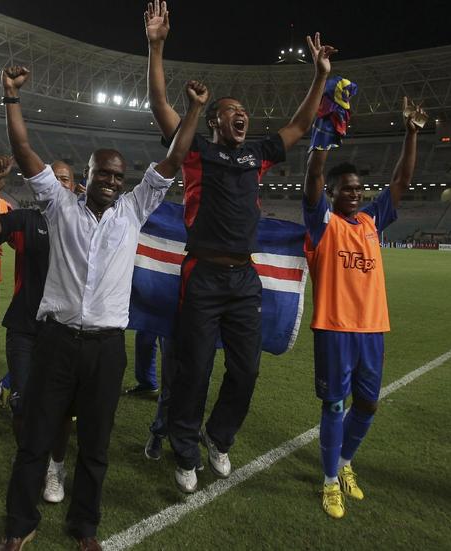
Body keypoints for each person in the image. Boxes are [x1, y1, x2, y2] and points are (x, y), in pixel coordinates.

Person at [0, 64, 206, 551]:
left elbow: (175, 159)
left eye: (118, 174)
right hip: (55, 342)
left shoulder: (135, 209)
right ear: (86, 175)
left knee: (96, 445)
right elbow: (24, 152)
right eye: (103, 173)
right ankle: (18, 526)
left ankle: (84, 527)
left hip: (107, 349)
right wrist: (10, 98)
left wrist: (194, 109)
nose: (111, 180)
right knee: (34, 441)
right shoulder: (59, 204)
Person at [145, 0, 337, 492]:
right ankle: (185, 453)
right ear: (214, 121)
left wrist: (319, 77)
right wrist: (157, 46)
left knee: (246, 369)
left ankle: (218, 438)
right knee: (194, 371)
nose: (241, 118)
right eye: (231, 112)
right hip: (203, 275)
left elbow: (296, 127)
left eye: (244, 114)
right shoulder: (196, 151)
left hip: (243, 279)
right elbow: (160, 107)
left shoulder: (256, 155)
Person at [303, 97, 425, 519]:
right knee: (335, 405)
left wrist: (411, 133)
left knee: (369, 404)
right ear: (332, 193)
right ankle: (329, 481)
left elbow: (403, 181)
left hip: (373, 329)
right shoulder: (323, 224)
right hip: (335, 328)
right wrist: (323, 138)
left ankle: (343, 462)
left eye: (359, 189)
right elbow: (313, 176)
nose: (354, 193)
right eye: (346, 189)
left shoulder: (371, 222)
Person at [0, 156, 78, 505]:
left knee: (64, 408)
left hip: (66, 330)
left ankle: (55, 465)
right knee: (22, 403)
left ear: (75, 186)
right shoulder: (27, 219)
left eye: (66, 179)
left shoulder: (85, 224)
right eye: (55, 179)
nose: (60, 184)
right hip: (24, 327)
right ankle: (31, 462)